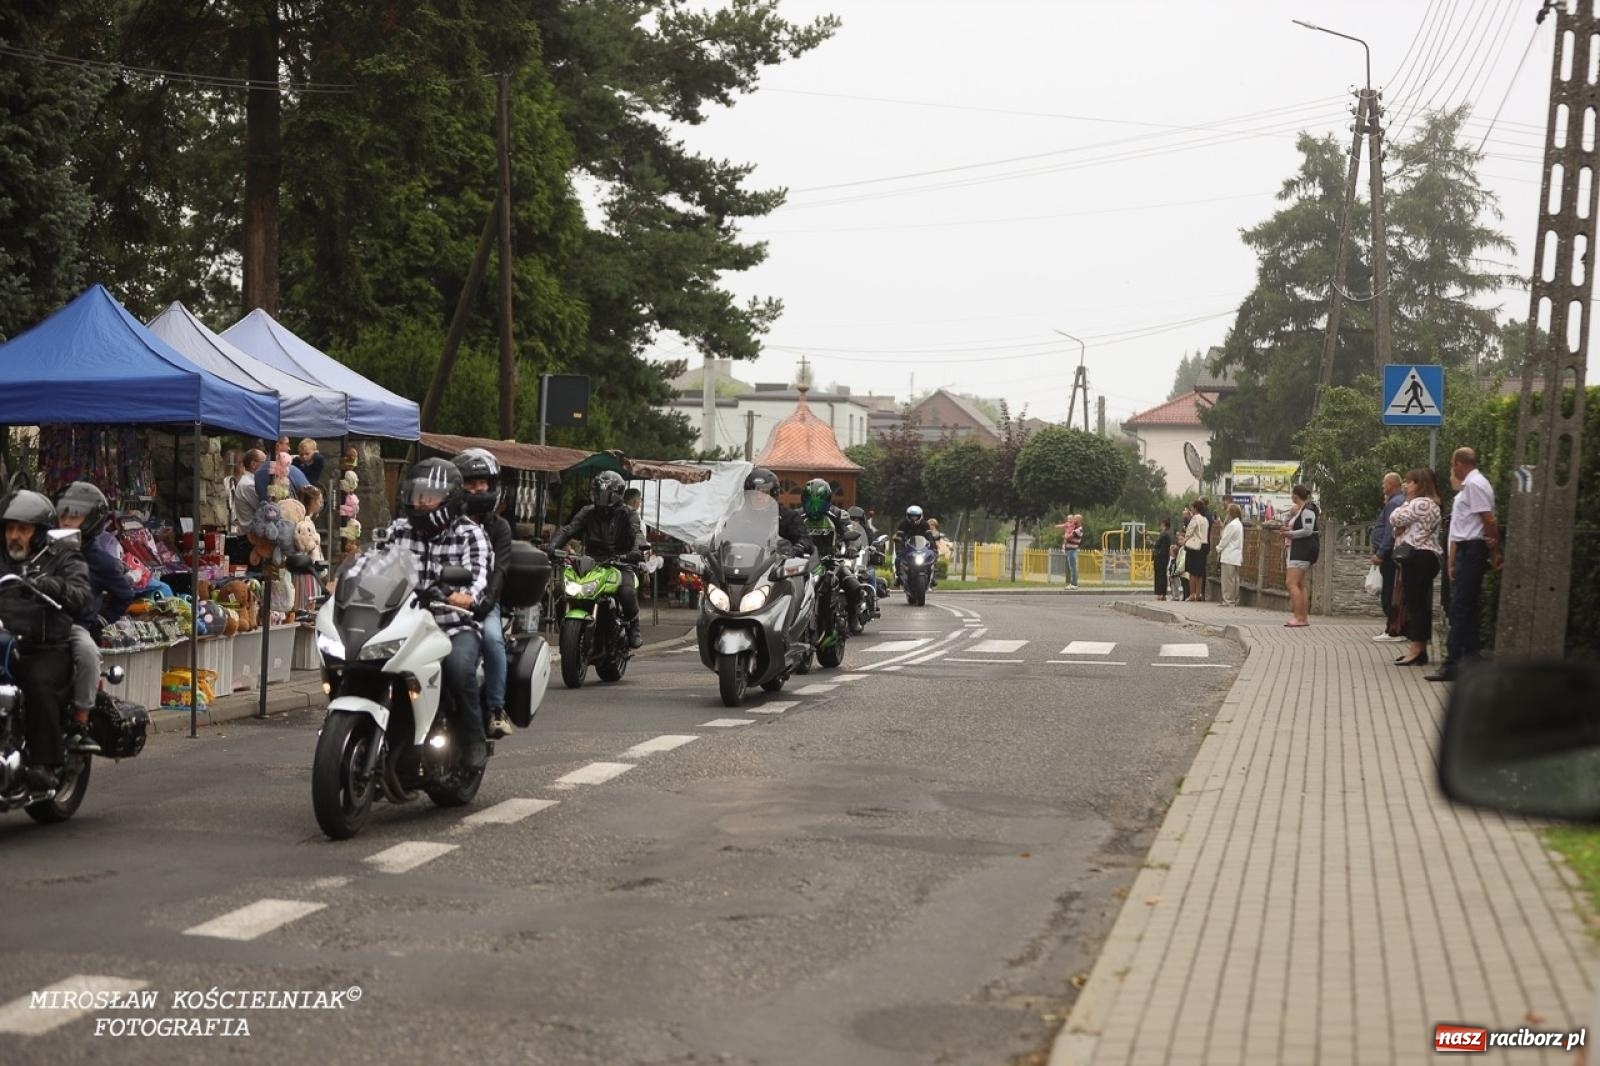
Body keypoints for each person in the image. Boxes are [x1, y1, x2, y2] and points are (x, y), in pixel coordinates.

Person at [380, 459, 493, 771]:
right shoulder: (398, 530)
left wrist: (462, 595)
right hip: (403, 624)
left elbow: (480, 581)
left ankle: (472, 739)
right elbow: (373, 562)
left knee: (458, 669)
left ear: (450, 498)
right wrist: (344, 582)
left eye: (428, 496)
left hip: (453, 625)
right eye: (416, 494)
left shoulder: (471, 535)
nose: (420, 502)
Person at [0, 491, 92, 790]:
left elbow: (81, 595)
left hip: (44, 645)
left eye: (23, 529)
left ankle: (45, 764)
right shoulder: (2, 558)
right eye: (10, 528)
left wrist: (49, 585)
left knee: (38, 682)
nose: (15, 536)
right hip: (5, 643)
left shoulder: (63, 556)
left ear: (39, 534)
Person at [55, 482, 134, 754]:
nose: (66, 521)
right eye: (63, 514)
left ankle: (80, 722)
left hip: (74, 626)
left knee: (88, 653)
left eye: (74, 516)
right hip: (37, 622)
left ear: (91, 521)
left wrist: (100, 620)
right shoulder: (44, 550)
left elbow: (125, 594)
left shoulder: (101, 560)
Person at [453, 448, 515, 739]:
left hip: (481, 601)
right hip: (440, 599)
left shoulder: (498, 528)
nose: (477, 488)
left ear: (493, 486)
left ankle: (496, 709)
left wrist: (486, 602)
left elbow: (500, 569)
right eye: (469, 482)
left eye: (483, 482)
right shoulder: (442, 522)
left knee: (492, 639)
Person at [1429, 447, 1501, 683]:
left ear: (1460, 463)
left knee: (1460, 607)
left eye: (1452, 464)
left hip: (1472, 549)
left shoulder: (1475, 485)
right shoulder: (1469, 487)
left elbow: (1488, 519)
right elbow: (1458, 529)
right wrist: (1451, 561)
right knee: (1464, 608)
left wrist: (1494, 550)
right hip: (1465, 550)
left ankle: (1452, 664)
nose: (1452, 469)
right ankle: (1473, 659)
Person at [550, 470, 644, 649]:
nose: (601, 497)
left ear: (617, 494)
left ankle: (634, 626)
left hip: (621, 561)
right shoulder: (588, 511)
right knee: (560, 589)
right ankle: (563, 625)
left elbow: (637, 534)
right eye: (599, 492)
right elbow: (569, 529)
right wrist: (552, 546)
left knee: (626, 593)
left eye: (606, 493)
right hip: (591, 562)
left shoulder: (628, 514)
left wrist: (636, 551)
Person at [1390, 467, 1444, 668]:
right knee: (1417, 603)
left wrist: (1404, 504)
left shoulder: (1422, 503)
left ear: (1419, 485)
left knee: (1416, 604)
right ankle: (1419, 650)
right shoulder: (1427, 504)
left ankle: (1416, 648)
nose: (1405, 485)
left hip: (1419, 557)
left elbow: (1395, 518)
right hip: (1421, 557)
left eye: (1409, 482)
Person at [798, 478, 863, 620]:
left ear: (827, 501)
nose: (814, 508)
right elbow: (783, 536)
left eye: (819, 503)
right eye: (810, 502)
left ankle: (853, 616)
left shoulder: (838, 515)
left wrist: (851, 547)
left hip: (831, 562)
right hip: (803, 563)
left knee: (854, 587)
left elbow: (851, 534)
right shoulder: (797, 516)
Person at [1371, 472, 1406, 642]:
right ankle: (1393, 627)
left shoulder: (1394, 503)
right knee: (1392, 591)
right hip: (1392, 553)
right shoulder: (1397, 501)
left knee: (1389, 593)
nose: (1383, 487)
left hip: (1389, 554)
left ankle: (1393, 629)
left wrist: (1380, 552)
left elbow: (1389, 532)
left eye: (1384, 484)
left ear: (1390, 485)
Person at [1280, 484, 1319, 627]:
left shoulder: (1308, 510)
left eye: (1292, 494)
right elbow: (1301, 527)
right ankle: (1303, 617)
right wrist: (1290, 528)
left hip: (1301, 550)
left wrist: (1289, 533)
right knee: (1300, 584)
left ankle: (1298, 617)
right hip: (1299, 550)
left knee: (1291, 583)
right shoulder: (1301, 510)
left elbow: (1308, 530)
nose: (1291, 496)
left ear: (1295, 495)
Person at [892, 504, 935, 587]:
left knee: (933, 556)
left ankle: (933, 577)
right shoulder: (903, 524)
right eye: (911, 516)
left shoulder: (924, 524)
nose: (913, 518)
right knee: (898, 559)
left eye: (916, 516)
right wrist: (899, 541)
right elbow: (899, 536)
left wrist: (933, 546)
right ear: (908, 516)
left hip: (922, 547)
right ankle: (899, 577)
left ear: (920, 516)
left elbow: (929, 536)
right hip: (908, 547)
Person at [1182, 498, 1210, 602]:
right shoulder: (1205, 519)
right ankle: (1199, 593)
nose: (1191, 510)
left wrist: (1184, 541)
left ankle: (1192, 593)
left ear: (1195, 508)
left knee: (1192, 571)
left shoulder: (1195, 518)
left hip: (1194, 547)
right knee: (1200, 571)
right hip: (1204, 545)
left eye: (1192, 508)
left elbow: (1189, 531)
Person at [232, 449, 266, 532]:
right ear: (253, 464)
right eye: (264, 463)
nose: (266, 466)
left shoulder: (251, 481)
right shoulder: (248, 484)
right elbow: (263, 508)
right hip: (251, 534)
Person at [1217, 503, 1244, 606]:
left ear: (1230, 513)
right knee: (1234, 580)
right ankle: (1234, 599)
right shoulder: (1239, 524)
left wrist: (1218, 548)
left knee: (1227, 580)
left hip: (1228, 555)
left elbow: (1225, 539)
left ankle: (1228, 600)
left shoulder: (1232, 525)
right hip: (1236, 556)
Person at [1151, 517, 1174, 601]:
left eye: (1161, 524)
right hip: (1162, 558)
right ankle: (1161, 593)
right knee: (1161, 576)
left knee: (1160, 576)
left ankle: (1161, 593)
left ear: (1164, 525)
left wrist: (1155, 550)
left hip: (1161, 558)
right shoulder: (1164, 535)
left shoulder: (1164, 535)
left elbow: (1161, 548)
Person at [1060, 514, 1084, 591]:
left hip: (1072, 550)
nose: (1073, 520)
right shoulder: (1074, 528)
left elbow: (1068, 537)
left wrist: (1066, 536)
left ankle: (1074, 584)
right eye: (1073, 519)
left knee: (1073, 568)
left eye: (1075, 519)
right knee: (1072, 568)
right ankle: (1072, 583)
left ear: (1079, 521)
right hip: (1069, 550)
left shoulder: (1079, 530)